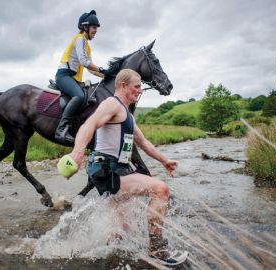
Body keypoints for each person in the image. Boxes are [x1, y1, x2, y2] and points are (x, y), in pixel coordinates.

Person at [66, 69, 188, 266]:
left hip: (116, 169)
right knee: (160, 189)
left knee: (122, 227)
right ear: (123, 85)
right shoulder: (111, 104)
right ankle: (157, 249)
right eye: (137, 86)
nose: (140, 90)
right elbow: (89, 124)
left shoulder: (127, 114)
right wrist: (78, 151)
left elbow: (144, 143)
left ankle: (97, 255)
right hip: (106, 169)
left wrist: (165, 161)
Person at [54, 10, 111, 143]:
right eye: (94, 27)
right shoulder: (79, 39)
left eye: (96, 28)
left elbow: (91, 69)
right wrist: (103, 69)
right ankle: (61, 129)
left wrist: (106, 75)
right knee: (79, 96)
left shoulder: (87, 46)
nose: (96, 31)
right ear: (85, 27)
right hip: (63, 76)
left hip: (73, 78)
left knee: (88, 97)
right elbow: (85, 62)